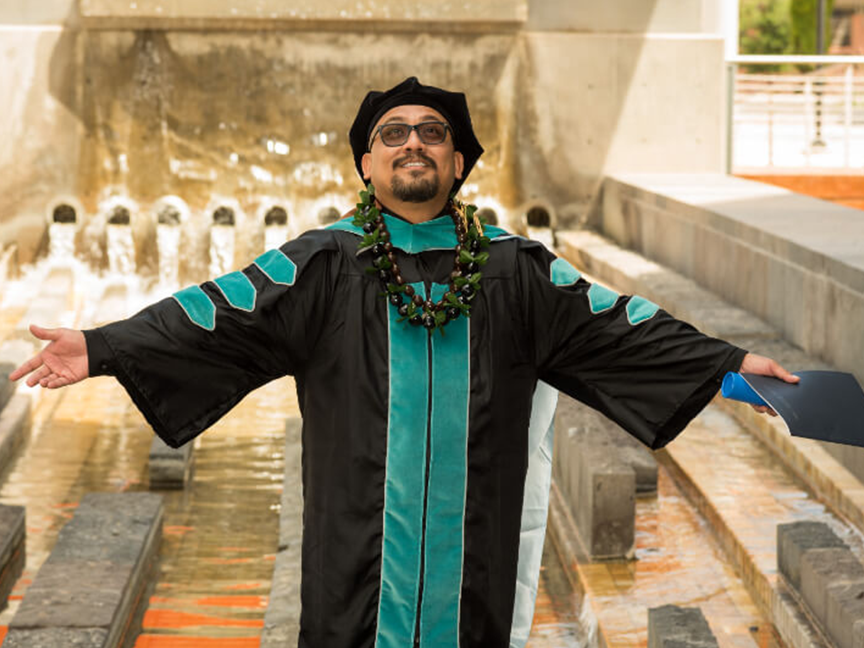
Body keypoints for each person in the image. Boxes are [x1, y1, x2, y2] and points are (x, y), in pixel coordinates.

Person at [11, 77, 798, 648]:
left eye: (431, 132)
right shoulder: (320, 267)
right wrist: (104, 346)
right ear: (366, 165)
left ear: (458, 165)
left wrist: (732, 368)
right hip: (353, 582)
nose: (413, 141)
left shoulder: (517, 272)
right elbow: (212, 312)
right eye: (393, 132)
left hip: (472, 583)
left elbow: (624, 327)